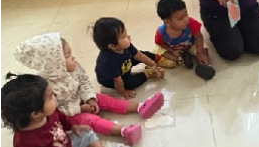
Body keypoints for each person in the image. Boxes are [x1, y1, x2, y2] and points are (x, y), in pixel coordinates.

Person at [13, 31, 164, 141]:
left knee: (105, 99)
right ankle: (123, 131)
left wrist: (90, 98)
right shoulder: (45, 87)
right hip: (71, 114)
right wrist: (80, 109)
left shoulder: (74, 67)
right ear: (53, 64)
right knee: (90, 120)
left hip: (80, 98)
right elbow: (54, 112)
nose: (73, 58)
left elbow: (84, 81)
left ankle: (140, 107)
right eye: (67, 56)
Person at [92, 17, 164, 98]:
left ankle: (159, 58)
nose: (128, 36)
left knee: (142, 53)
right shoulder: (109, 61)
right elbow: (118, 81)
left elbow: (139, 55)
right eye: (124, 36)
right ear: (112, 46)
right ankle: (147, 73)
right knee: (130, 84)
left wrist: (152, 64)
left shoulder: (124, 46)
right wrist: (123, 92)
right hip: (112, 79)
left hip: (125, 65)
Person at [154, 0, 216, 80]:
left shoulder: (191, 23)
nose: (186, 19)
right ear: (168, 22)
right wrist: (172, 51)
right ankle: (180, 58)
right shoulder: (161, 32)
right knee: (163, 55)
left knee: (204, 48)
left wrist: (200, 53)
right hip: (173, 48)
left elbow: (199, 37)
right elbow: (161, 45)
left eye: (186, 15)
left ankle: (203, 64)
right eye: (181, 19)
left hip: (190, 45)